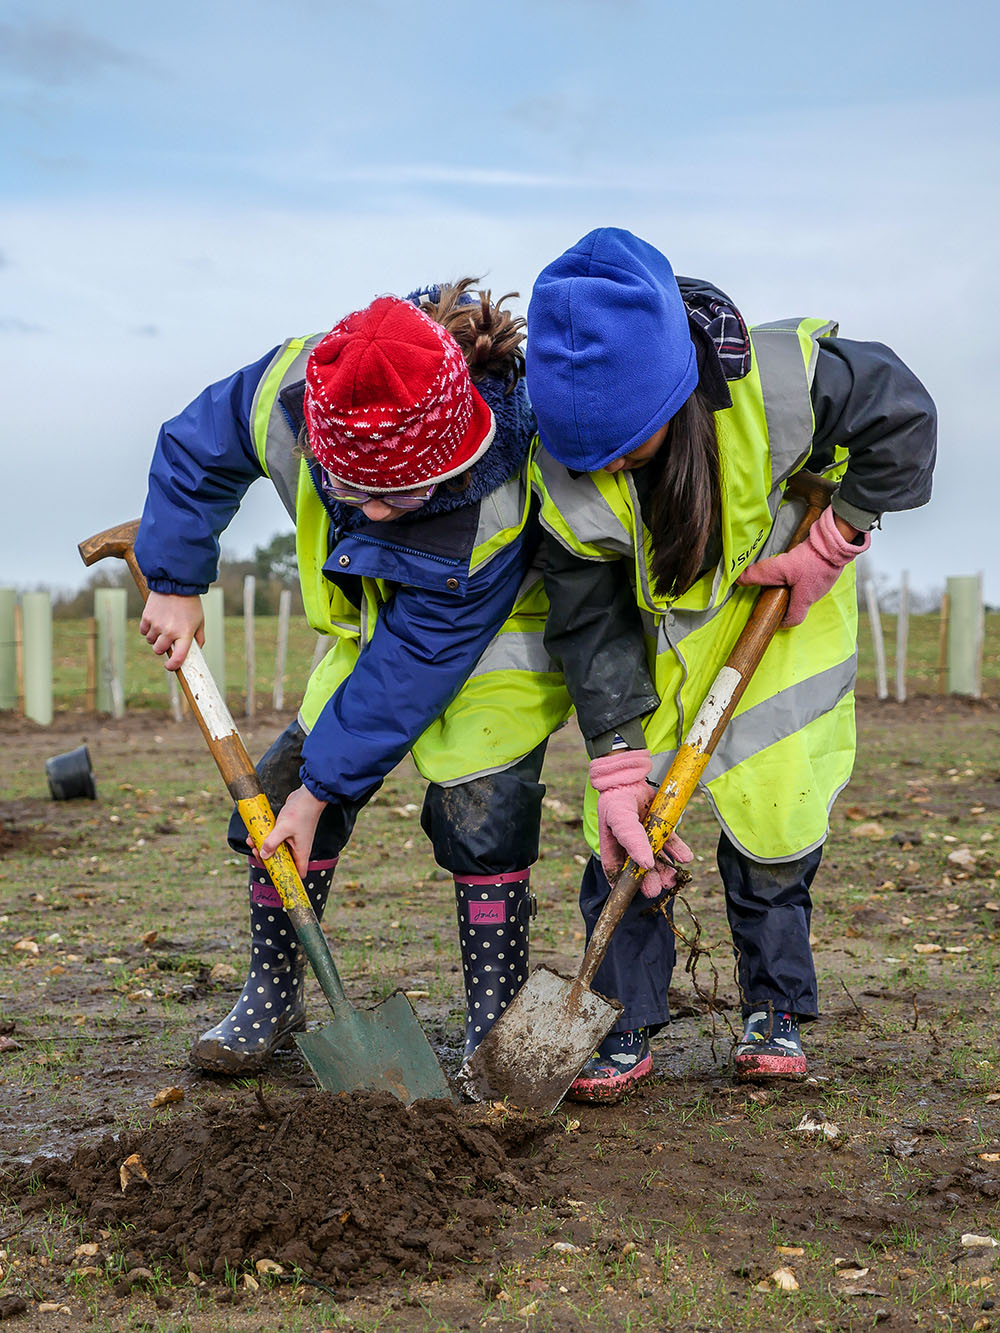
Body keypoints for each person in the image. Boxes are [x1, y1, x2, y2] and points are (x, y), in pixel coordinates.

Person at [525, 227, 936, 1103]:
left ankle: (774, 1005)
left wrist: (838, 537)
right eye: (589, 457)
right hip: (659, 663)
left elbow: (902, 414)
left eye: (629, 449)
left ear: (677, 392)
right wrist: (615, 757)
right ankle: (618, 1015)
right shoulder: (556, 471)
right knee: (633, 840)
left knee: (777, 828)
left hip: (777, 632)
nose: (608, 471)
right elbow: (589, 616)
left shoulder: (783, 380)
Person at [135, 282, 570, 1076]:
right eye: (349, 488)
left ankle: (494, 1021)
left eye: (398, 494)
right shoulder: (292, 394)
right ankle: (272, 994)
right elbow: (195, 446)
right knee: (282, 794)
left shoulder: (496, 496)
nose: (370, 512)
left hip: (487, 647)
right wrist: (173, 577)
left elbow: (415, 663)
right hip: (367, 633)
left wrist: (321, 788)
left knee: (483, 813)